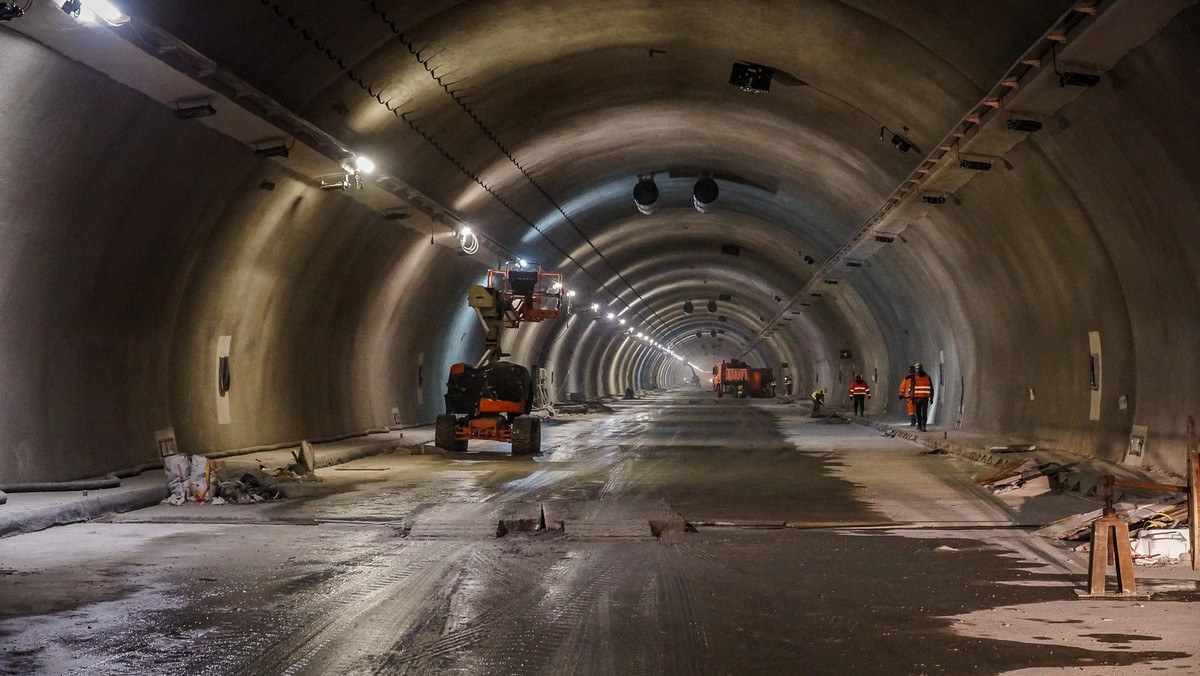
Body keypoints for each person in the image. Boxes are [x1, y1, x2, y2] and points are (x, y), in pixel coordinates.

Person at [909, 362, 934, 431]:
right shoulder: (927, 377)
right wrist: (931, 398)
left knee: (918, 413)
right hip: (925, 398)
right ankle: (924, 426)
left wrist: (912, 399)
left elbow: (912, 389)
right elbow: (931, 388)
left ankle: (919, 426)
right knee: (924, 412)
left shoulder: (914, 377)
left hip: (917, 398)